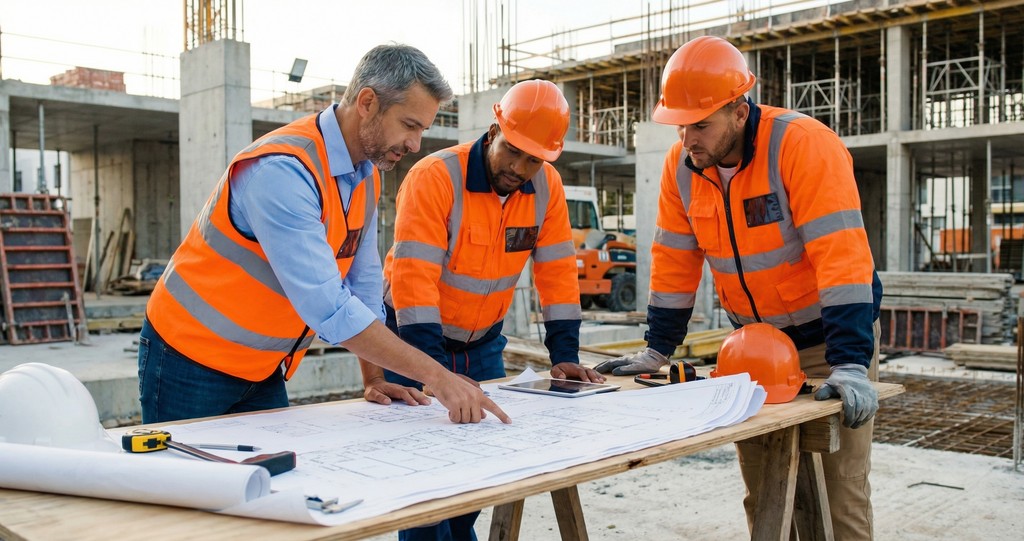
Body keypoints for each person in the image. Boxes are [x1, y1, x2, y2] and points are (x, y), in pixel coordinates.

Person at [595, 36, 882, 540]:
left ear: (739, 110)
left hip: (827, 345)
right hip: (754, 352)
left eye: (700, 124)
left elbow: (841, 256)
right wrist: (657, 348)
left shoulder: (802, 144)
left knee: (840, 497)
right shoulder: (681, 168)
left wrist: (852, 362)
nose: (688, 139)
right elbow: (675, 261)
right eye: (681, 125)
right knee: (769, 491)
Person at [139, 44, 509, 427]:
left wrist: (375, 377)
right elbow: (328, 306)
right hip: (188, 359)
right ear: (367, 102)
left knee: (269, 480)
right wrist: (439, 376)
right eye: (409, 125)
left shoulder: (365, 175)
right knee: (189, 483)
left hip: (262, 369)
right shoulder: (283, 172)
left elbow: (363, 288)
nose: (415, 145)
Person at [371, 79, 604, 541]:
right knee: (425, 489)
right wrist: (432, 373)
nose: (520, 168)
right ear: (495, 127)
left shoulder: (546, 188)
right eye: (513, 151)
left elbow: (557, 274)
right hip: (415, 342)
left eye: (534, 159)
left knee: (476, 478)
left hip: (482, 347)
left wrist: (565, 354)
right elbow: (414, 281)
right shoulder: (436, 176)